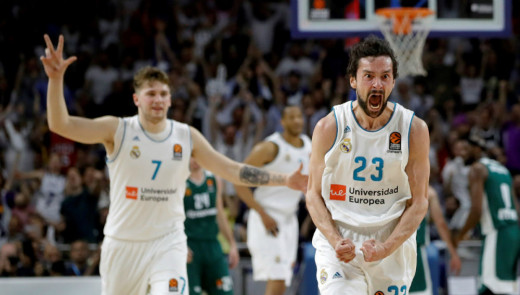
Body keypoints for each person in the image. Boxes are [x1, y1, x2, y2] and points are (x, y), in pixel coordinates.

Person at [40, 34, 307, 295]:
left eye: (163, 94)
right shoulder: (118, 129)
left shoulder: (186, 136)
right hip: (123, 244)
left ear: (170, 99)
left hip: (168, 243)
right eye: (150, 93)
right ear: (136, 99)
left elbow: (232, 170)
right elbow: (61, 125)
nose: (157, 99)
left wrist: (284, 180)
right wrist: (55, 80)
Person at [305, 36, 430, 294]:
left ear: (394, 81)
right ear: (353, 80)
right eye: (369, 76)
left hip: (390, 244)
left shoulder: (413, 129)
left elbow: (419, 203)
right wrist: (335, 240)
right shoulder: (329, 127)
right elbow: (313, 195)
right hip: (340, 241)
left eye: (385, 77)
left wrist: (386, 247)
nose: (377, 83)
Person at [234, 105, 311, 295]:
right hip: (267, 216)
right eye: (291, 117)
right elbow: (238, 180)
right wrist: (261, 213)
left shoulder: (308, 144)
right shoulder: (269, 148)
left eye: (299, 116)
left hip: (289, 219)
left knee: (283, 278)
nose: (296, 121)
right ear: (282, 122)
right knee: (277, 278)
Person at [454, 135, 520, 295]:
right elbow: (516, 207)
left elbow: (476, 210)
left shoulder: (477, 169)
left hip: (497, 231)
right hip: (513, 231)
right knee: (507, 286)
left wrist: (460, 235)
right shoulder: (503, 170)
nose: (462, 154)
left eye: (466, 149)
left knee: (490, 287)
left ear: (477, 149)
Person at [184, 157, 239, 295]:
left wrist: (232, 244)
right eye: (191, 155)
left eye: (198, 155)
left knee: (225, 292)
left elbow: (220, 214)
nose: (195, 160)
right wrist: (180, 244)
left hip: (212, 246)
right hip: (190, 247)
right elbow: (171, 218)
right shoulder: (179, 181)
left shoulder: (213, 179)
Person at [409, 186, 462, 295]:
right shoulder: (429, 192)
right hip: (416, 251)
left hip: (391, 250)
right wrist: (453, 253)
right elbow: (440, 223)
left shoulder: (391, 184)